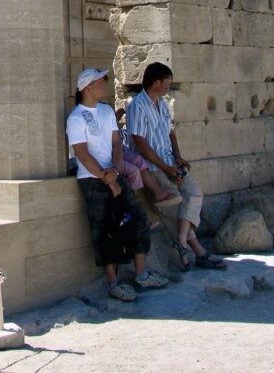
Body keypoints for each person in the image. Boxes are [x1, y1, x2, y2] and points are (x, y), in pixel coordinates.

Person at [66, 68, 169, 302]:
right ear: (87, 88)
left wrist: (114, 169)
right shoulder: (76, 118)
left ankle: (141, 274)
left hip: (112, 172)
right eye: (100, 81)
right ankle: (113, 283)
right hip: (92, 179)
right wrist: (106, 177)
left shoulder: (105, 111)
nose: (105, 83)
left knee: (138, 218)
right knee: (104, 230)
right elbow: (82, 154)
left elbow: (116, 143)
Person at [126, 62, 226, 272]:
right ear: (156, 82)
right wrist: (165, 168)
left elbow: (170, 132)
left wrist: (178, 158)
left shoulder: (162, 103)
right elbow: (140, 143)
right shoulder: (137, 106)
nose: (169, 87)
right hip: (155, 167)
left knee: (194, 193)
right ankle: (198, 251)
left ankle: (181, 240)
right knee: (173, 206)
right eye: (167, 83)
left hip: (170, 161)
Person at [114, 105, 180, 208]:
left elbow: (115, 136)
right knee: (133, 171)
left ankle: (157, 192)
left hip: (119, 149)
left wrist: (115, 122)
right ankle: (133, 208)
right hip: (108, 154)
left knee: (138, 160)